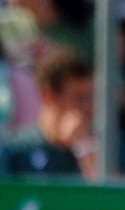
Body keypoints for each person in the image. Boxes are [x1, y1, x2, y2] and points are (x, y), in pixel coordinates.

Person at [0, 49, 98, 178]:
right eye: (79, 98)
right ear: (49, 97)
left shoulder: (109, 145)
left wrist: (86, 147)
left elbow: (117, 195)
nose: (88, 107)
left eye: (91, 97)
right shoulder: (15, 151)